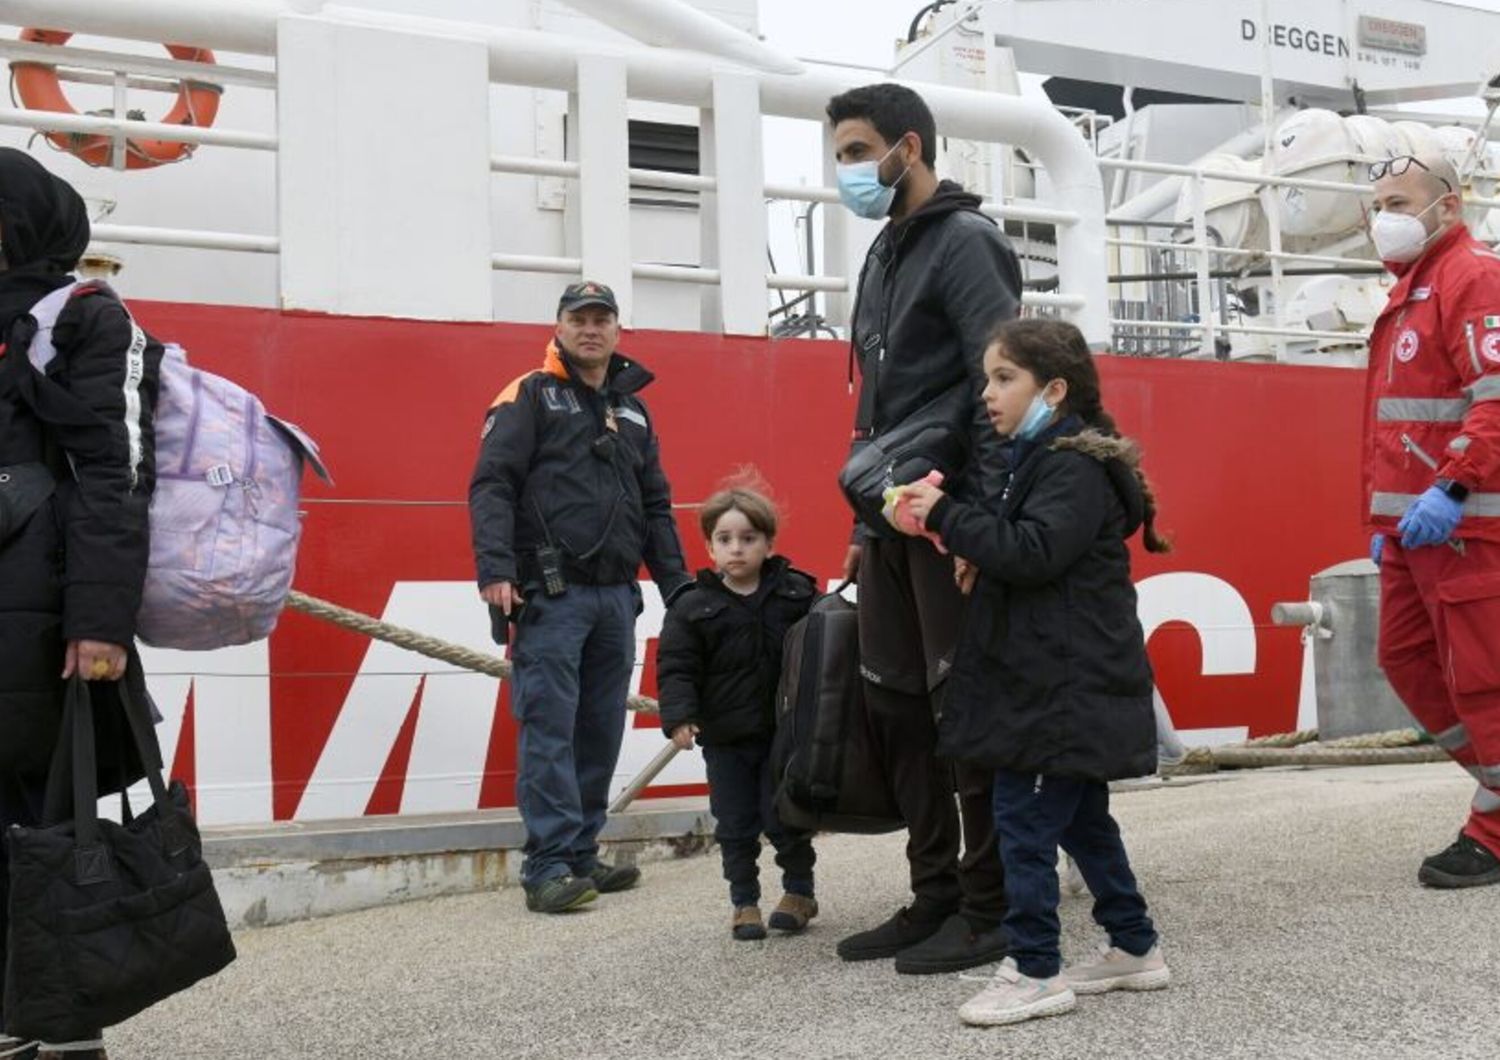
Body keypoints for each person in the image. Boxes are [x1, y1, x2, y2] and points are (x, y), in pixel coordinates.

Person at [896, 317, 1172, 1028]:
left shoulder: (1069, 466)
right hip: (1057, 681)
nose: (987, 393)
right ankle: (1134, 946)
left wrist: (949, 516)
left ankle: (1035, 968)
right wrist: (971, 543)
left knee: (1022, 817)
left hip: (1060, 688)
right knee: (1082, 818)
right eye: (988, 377)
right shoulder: (1045, 457)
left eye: (1003, 378)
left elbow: (1036, 551)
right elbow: (1035, 552)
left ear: (1053, 389)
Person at [826, 82, 1018, 972]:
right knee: (898, 703)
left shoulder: (965, 244)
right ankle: (934, 891)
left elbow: (1002, 382)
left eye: (859, 151)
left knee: (964, 706)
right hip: (889, 517)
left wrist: (981, 520)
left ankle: (994, 905)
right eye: (840, 156)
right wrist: (868, 522)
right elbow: (881, 410)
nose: (848, 170)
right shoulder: (885, 254)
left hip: (946, 516)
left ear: (909, 146)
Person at [0, 148, 163, 1060]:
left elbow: (113, 473)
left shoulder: (85, 317)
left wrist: (100, 620)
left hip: (43, 618)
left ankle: (64, 1030)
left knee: (47, 826)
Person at [470, 280, 692, 914]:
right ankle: (546, 866)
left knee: (598, 728)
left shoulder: (635, 412)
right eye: (579, 318)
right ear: (559, 326)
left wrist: (677, 587)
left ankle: (580, 851)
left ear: (618, 331)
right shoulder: (528, 396)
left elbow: (655, 506)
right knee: (548, 728)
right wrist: (495, 568)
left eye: (602, 319)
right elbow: (491, 485)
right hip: (551, 595)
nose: (590, 329)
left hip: (616, 599)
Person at [1364, 153, 1500, 888]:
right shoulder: (1414, 289)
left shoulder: (1469, 277)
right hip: (1414, 534)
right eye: (1377, 200)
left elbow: (1497, 396)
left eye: (1398, 200)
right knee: (1406, 661)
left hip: (1464, 525)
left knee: (1484, 682)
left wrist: (1449, 487)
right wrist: (1385, 516)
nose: (1382, 214)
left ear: (1448, 208)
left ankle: (1495, 830)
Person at [655, 481, 818, 940]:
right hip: (726, 738)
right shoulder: (691, 606)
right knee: (735, 824)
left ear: (769, 543)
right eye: (724, 539)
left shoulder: (797, 593)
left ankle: (800, 892)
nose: (737, 549)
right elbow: (677, 666)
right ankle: (744, 902)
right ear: (709, 546)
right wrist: (680, 717)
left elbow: (824, 655)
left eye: (748, 538)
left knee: (787, 817)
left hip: (783, 735)